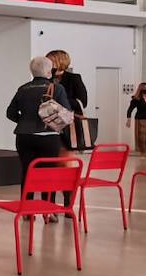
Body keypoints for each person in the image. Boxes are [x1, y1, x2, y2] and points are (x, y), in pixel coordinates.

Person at [7, 56, 73, 222]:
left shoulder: (22, 89)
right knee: (47, 174)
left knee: (27, 171)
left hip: (24, 137)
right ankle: (48, 211)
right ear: (49, 71)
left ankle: (27, 211)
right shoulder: (56, 88)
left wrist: (24, 121)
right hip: (48, 137)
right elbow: (66, 112)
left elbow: (10, 112)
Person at [46, 50, 89, 150]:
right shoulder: (46, 79)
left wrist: (60, 100)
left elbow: (83, 101)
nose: (47, 63)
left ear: (60, 61)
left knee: (66, 155)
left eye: (50, 60)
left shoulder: (74, 78)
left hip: (68, 122)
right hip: (49, 123)